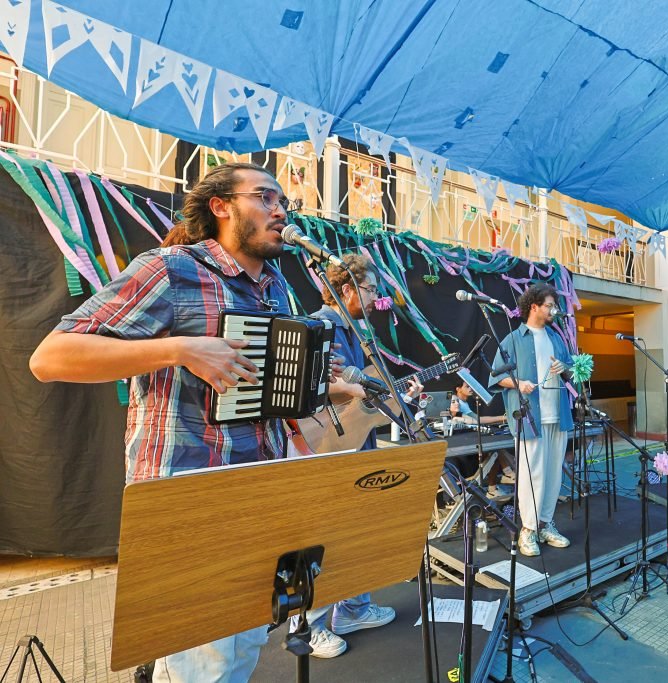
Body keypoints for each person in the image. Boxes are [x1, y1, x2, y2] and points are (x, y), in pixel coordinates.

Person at [29, 162, 303, 681]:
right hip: (188, 492)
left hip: (257, 487)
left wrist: (313, 383)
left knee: (237, 650)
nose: (280, 210)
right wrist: (180, 348)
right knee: (208, 663)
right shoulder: (172, 269)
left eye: (283, 201)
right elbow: (50, 357)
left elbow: (257, 388)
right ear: (221, 206)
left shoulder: (274, 287)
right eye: (266, 197)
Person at [286, 254, 420, 656]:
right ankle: (307, 627)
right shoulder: (321, 325)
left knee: (357, 530)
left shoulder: (354, 332)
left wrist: (399, 398)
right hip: (325, 447)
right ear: (346, 289)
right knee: (324, 536)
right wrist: (354, 391)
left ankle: (354, 608)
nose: (377, 297)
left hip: (354, 445)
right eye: (371, 289)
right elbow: (305, 388)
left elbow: (360, 405)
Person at [489, 283, 574, 557]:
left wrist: (566, 369)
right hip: (529, 418)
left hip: (557, 415)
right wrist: (518, 383)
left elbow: (572, 372)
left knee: (553, 474)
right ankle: (527, 530)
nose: (553, 310)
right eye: (549, 305)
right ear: (533, 306)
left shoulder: (556, 339)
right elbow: (495, 377)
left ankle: (546, 524)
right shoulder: (513, 339)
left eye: (554, 306)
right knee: (530, 475)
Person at [449, 379, 515, 498]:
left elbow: (475, 420)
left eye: (470, 386)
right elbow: (478, 420)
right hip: (462, 445)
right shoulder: (456, 402)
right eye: (466, 386)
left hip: (469, 439)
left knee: (496, 449)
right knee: (495, 449)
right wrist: (503, 418)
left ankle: (504, 478)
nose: (470, 389)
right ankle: (507, 475)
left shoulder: (463, 403)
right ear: (458, 389)